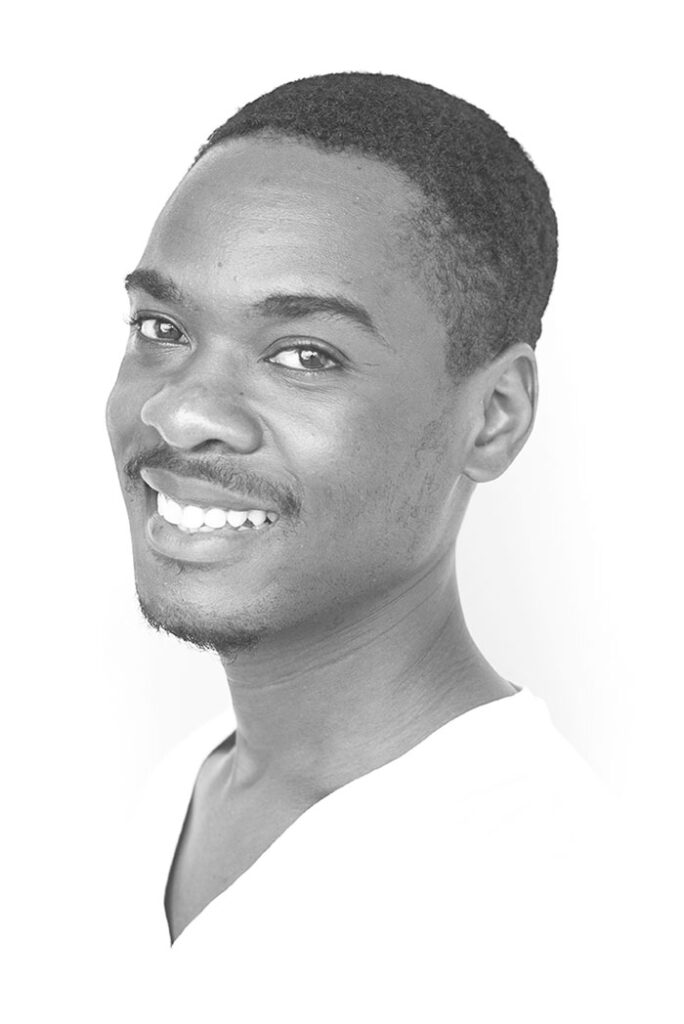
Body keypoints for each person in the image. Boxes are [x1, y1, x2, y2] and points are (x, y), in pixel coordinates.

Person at [106, 72, 636, 1021]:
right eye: (163, 328)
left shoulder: (552, 929)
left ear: (494, 415)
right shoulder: (185, 785)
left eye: (305, 355)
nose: (179, 413)